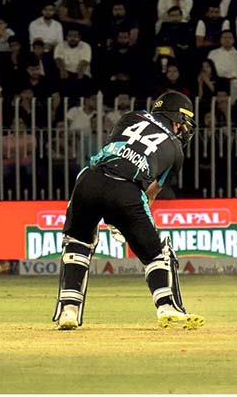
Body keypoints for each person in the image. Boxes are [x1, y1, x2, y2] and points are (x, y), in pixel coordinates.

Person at [53, 91, 203, 331]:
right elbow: (150, 194)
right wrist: (122, 221)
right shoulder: (176, 150)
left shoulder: (131, 117)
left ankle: (68, 311)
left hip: (89, 180)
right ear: (176, 119)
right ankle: (167, 307)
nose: (184, 130)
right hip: (126, 192)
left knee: (78, 243)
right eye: (183, 124)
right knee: (156, 253)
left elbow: (115, 151)